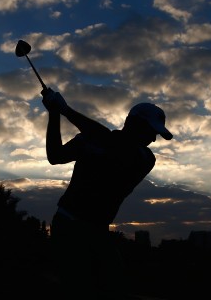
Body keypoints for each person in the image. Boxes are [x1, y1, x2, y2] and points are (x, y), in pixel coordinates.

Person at [41, 87, 173, 299]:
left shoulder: (145, 158)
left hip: (98, 230)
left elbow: (113, 144)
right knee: (80, 287)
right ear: (134, 124)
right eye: (151, 132)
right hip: (68, 226)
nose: (154, 139)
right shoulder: (93, 138)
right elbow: (55, 156)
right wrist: (54, 114)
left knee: (114, 285)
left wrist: (65, 110)